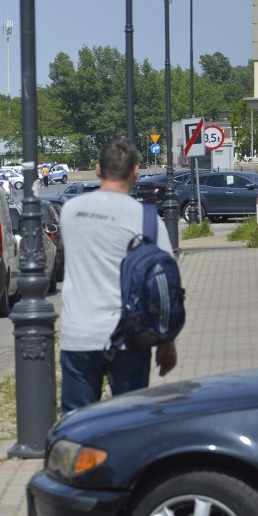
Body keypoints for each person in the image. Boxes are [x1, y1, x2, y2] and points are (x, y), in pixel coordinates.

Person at [58, 138, 177, 412]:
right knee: (131, 421)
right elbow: (167, 286)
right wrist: (166, 342)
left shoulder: (70, 212)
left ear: (98, 170)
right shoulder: (148, 220)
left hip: (79, 335)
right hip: (130, 338)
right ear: (135, 171)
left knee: (77, 424)